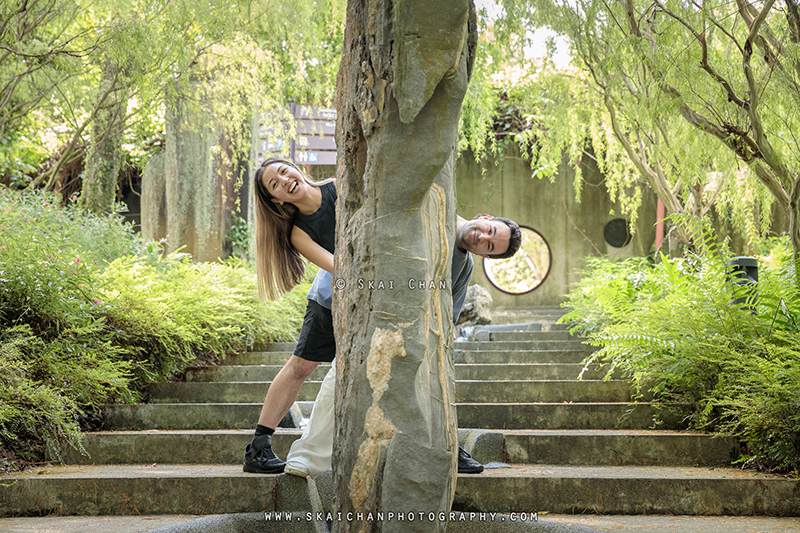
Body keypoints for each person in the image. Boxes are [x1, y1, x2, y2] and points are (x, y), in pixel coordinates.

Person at [282, 213, 522, 478]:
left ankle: (443, 446)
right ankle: (306, 456)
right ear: (485, 217)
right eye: (489, 229)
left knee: (430, 377)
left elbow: (446, 316)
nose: (482, 237)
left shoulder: (463, 265)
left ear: (486, 256)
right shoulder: (430, 209)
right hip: (363, 304)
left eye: (489, 245)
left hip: (407, 330)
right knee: (345, 374)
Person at [243, 156, 337, 474]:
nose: (284, 180)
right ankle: (258, 447)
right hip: (329, 300)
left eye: (284, 172)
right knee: (300, 367)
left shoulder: (341, 186)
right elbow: (339, 268)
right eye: (275, 184)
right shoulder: (299, 233)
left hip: (375, 291)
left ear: (298, 169)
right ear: (276, 199)